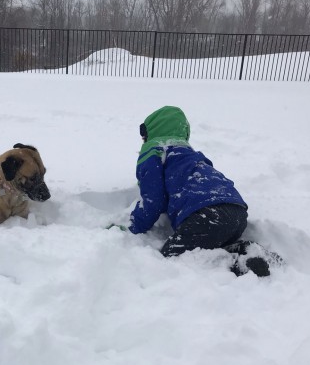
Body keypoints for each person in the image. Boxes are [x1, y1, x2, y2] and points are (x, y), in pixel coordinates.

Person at [114, 105, 278, 277]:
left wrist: (133, 227)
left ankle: (237, 264)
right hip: (237, 212)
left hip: (205, 215)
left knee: (173, 257)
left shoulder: (153, 151)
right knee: (207, 242)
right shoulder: (190, 154)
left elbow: (154, 200)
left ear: (151, 132)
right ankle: (247, 251)